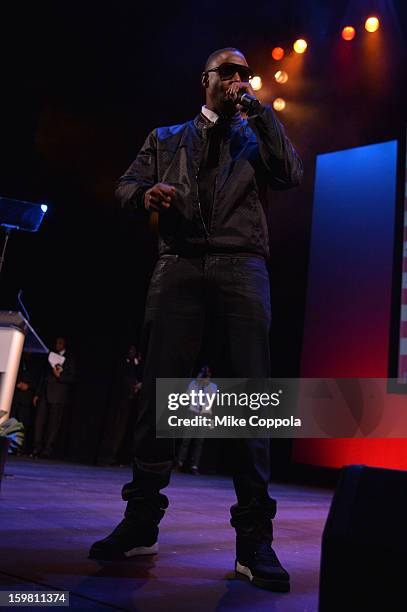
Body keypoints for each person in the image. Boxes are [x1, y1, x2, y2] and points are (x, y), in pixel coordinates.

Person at [89, 47, 303, 592]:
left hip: (241, 268)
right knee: (159, 398)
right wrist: (145, 196)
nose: (237, 79)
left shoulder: (256, 136)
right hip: (178, 268)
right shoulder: (165, 138)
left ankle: (254, 541)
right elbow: (122, 187)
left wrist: (261, 111)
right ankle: (140, 523)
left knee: (248, 404)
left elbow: (292, 172)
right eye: (227, 72)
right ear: (205, 80)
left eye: (244, 73)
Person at [32, 336, 77, 458]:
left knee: (53, 424)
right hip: (44, 393)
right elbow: (43, 376)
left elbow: (72, 377)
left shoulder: (70, 359)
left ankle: (47, 450)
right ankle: (36, 448)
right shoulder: (51, 356)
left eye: (60, 343)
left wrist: (59, 376)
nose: (57, 345)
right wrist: (37, 393)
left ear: (64, 345)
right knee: (39, 422)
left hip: (58, 395)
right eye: (56, 342)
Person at [175, 365, 217, 475]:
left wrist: (205, 386)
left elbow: (210, 402)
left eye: (207, 375)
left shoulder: (213, 386)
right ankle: (180, 463)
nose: (204, 377)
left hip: (204, 415)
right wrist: (197, 384)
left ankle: (194, 465)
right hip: (192, 413)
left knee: (199, 442)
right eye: (203, 374)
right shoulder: (193, 384)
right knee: (186, 440)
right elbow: (188, 397)